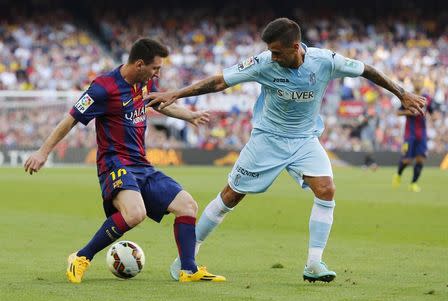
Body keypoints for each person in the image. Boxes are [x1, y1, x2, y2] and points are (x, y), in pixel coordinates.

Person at [146, 18, 426, 283]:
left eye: (278, 52)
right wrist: (176, 94)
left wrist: (401, 93)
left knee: (326, 190)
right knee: (231, 195)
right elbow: (220, 81)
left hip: (305, 139)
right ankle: (186, 260)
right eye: (270, 52)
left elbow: (366, 69)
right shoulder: (263, 63)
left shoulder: (324, 61)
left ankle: (314, 264)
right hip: (267, 139)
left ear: (295, 47)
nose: (273, 57)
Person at [24, 38, 225, 283]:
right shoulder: (102, 88)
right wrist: (43, 152)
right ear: (139, 64)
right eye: (155, 68)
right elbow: (71, 119)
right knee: (135, 213)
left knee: (188, 206)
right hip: (114, 164)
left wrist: (188, 116)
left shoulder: (143, 82)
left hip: (142, 164)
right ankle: (81, 257)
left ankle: (188, 270)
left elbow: (155, 103)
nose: (158, 74)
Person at [392, 75, 434, 192]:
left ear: (423, 83)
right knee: (407, 160)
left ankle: (413, 183)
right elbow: (398, 113)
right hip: (409, 133)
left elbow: (433, 112)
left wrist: (434, 116)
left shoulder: (427, 98)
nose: (419, 83)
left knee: (421, 159)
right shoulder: (408, 97)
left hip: (422, 133)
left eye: (420, 80)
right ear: (413, 82)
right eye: (417, 80)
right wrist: (410, 112)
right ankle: (398, 174)